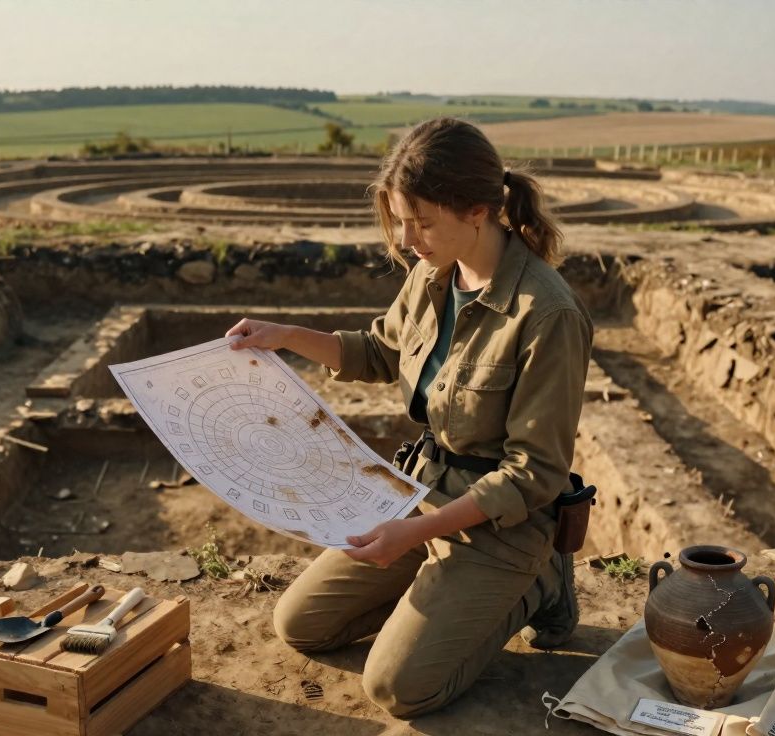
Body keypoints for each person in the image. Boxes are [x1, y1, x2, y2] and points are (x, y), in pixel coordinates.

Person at [225, 117, 594, 718]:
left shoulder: (547, 313)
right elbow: (379, 352)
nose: (407, 236)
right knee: (301, 625)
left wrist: (412, 536)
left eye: (421, 221)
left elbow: (533, 474)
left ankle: (540, 584)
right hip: (421, 493)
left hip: (505, 522)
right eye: (400, 218)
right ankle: (442, 588)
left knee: (399, 688)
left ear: (477, 211)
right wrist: (284, 335)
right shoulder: (431, 275)